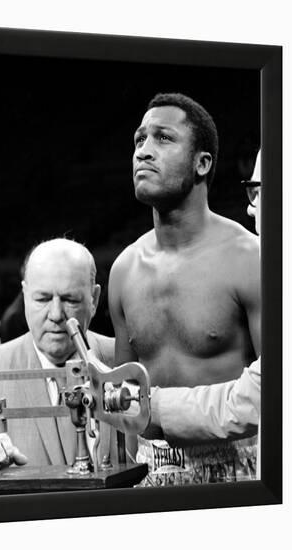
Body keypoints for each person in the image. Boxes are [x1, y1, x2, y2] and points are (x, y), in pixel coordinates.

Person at [108, 93, 261, 485]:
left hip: (241, 472)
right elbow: (126, 401)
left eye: (163, 138)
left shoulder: (249, 258)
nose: (143, 151)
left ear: (202, 162)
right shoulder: (124, 269)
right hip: (147, 474)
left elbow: (276, 393)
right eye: (139, 140)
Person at [0, 238, 115, 472]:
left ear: (95, 299)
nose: (56, 314)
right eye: (42, 299)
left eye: (70, 299)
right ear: (24, 294)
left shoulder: (125, 362)